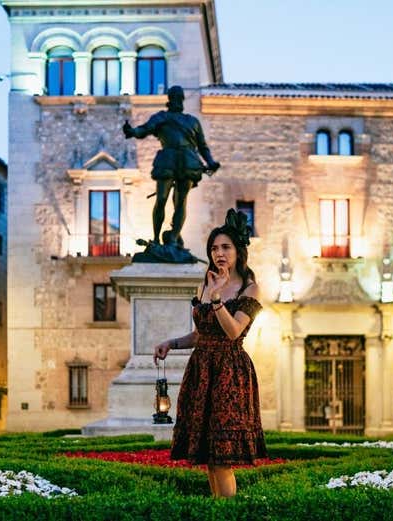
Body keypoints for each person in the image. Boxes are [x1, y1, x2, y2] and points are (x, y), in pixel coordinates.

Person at [153, 209, 267, 498]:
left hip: (229, 374)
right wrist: (172, 343)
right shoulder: (206, 283)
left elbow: (232, 332)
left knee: (222, 459)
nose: (219, 253)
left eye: (226, 247)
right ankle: (218, 510)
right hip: (202, 372)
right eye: (214, 248)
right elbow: (201, 334)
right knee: (208, 457)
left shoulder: (249, 288)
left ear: (238, 252)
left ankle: (228, 514)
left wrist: (217, 298)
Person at [123, 85, 220, 248]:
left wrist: (210, 162)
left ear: (182, 99)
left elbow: (202, 146)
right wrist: (132, 131)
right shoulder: (161, 117)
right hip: (167, 160)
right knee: (161, 199)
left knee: (181, 202)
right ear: (169, 99)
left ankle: (174, 238)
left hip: (188, 161)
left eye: (179, 97)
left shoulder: (192, 121)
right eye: (174, 97)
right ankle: (156, 238)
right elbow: (145, 129)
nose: (176, 100)